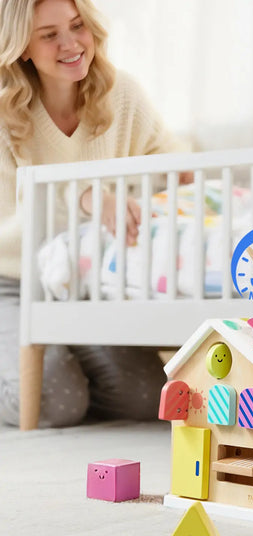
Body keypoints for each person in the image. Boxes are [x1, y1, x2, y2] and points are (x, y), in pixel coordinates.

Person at [0, 0, 191, 427]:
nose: (70, 44)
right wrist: (85, 197)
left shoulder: (120, 93)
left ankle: (67, 366)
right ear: (22, 47)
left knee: (145, 399)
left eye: (77, 25)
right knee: (54, 403)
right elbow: (11, 227)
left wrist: (185, 188)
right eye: (49, 35)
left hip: (86, 284)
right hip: (13, 284)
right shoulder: (4, 113)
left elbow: (171, 163)